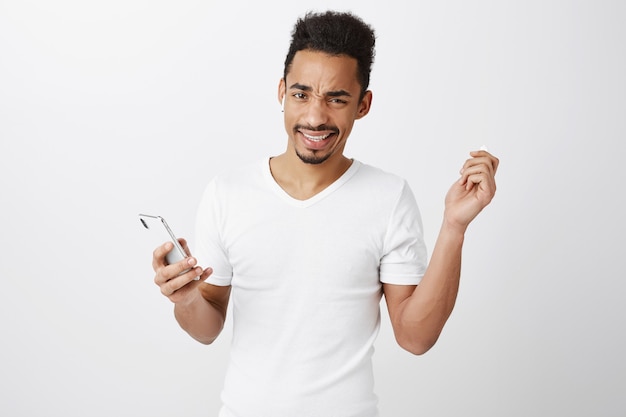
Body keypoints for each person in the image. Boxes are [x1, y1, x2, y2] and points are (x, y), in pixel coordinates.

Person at [151, 10, 498, 417]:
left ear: (363, 104)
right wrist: (188, 299)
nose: (315, 117)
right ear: (281, 91)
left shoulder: (388, 197)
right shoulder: (227, 193)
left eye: (336, 99)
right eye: (301, 94)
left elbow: (416, 337)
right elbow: (207, 329)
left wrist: (454, 227)